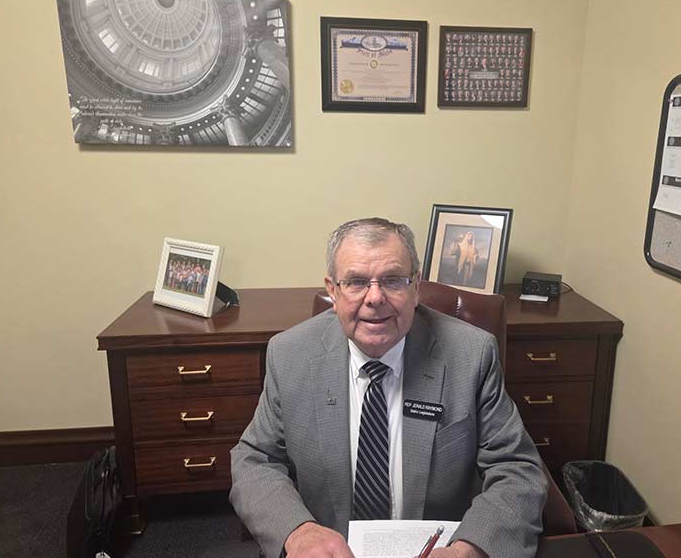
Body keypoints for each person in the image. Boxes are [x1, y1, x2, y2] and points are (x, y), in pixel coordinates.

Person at [230, 218, 546, 558]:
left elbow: (517, 469)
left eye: (393, 281)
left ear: (416, 287)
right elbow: (255, 460)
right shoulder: (290, 354)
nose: (375, 298)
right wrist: (298, 532)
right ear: (333, 290)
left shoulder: (471, 355)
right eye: (355, 282)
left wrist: (469, 550)